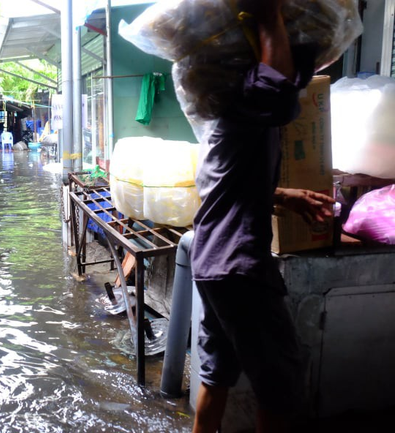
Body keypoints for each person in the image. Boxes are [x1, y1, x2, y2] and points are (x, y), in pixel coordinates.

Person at [190, 2, 335, 433]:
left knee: (217, 376)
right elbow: (278, 89)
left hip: (212, 263)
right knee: (282, 389)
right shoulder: (248, 103)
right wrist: (270, 15)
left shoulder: (232, 118)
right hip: (239, 266)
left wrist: (285, 196)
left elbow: (232, 186)